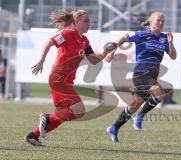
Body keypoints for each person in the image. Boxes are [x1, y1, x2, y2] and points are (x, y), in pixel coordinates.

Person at [24, 9, 116, 146]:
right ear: (76, 21)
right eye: (86, 21)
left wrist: (105, 53)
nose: (89, 24)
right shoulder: (69, 33)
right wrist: (41, 61)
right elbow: (48, 42)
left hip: (66, 81)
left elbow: (94, 60)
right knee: (79, 111)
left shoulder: (84, 40)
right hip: (58, 79)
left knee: (65, 115)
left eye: (89, 21)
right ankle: (47, 117)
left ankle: (33, 136)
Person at [105, 11, 177, 143]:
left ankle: (114, 128)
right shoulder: (142, 34)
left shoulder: (164, 38)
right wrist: (112, 51)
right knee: (160, 94)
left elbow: (173, 56)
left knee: (135, 104)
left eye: (162, 21)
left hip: (152, 75)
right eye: (158, 20)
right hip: (141, 73)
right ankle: (140, 117)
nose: (160, 23)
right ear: (150, 21)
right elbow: (123, 38)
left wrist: (171, 43)